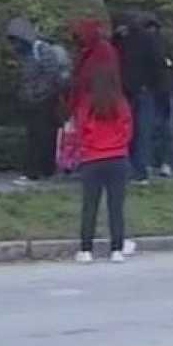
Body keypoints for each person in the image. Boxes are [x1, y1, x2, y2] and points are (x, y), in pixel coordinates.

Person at [71, 58, 135, 264]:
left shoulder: (87, 103)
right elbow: (127, 129)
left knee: (89, 206)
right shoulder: (120, 102)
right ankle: (116, 249)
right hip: (117, 157)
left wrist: (88, 146)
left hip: (92, 158)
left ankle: (86, 249)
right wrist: (118, 144)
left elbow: (80, 130)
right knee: (116, 206)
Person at [7, 17, 72, 185]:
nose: (14, 46)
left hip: (43, 101)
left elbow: (51, 75)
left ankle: (34, 172)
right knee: (39, 136)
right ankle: (44, 170)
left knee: (40, 136)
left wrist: (36, 93)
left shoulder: (41, 50)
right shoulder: (26, 53)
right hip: (33, 100)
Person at [120, 14, 173, 179]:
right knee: (145, 130)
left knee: (134, 130)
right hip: (146, 90)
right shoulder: (152, 41)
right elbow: (159, 65)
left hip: (131, 89)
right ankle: (142, 168)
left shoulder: (124, 41)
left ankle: (134, 167)